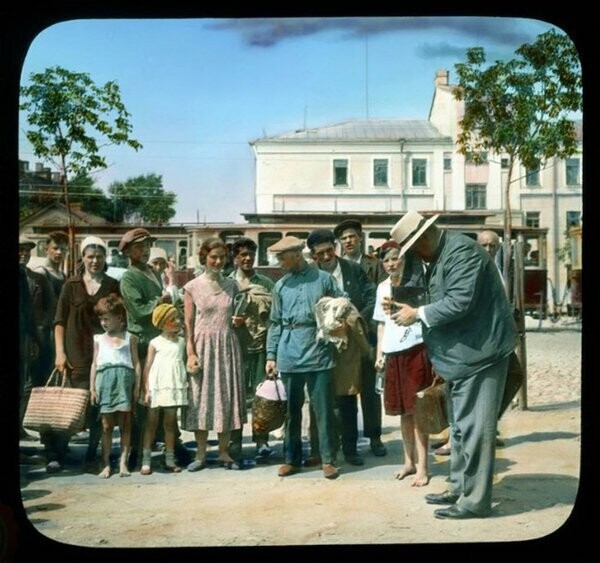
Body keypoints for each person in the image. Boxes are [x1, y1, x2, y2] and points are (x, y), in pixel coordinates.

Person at [387, 210, 517, 519]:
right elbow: (436, 295)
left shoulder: (461, 252)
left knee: (475, 430)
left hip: (481, 352)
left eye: (413, 248)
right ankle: (459, 487)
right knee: (459, 428)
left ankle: (475, 501)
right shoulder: (439, 254)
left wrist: (416, 314)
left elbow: (459, 301)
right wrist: (407, 305)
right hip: (462, 354)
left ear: (424, 238)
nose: (414, 255)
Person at [265, 236, 344, 480]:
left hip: (318, 351)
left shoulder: (324, 279)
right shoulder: (280, 286)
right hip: (289, 353)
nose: (279, 262)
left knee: (323, 410)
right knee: (291, 411)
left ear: (297, 255)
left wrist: (336, 325)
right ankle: (291, 459)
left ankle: (328, 459)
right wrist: (271, 355)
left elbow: (343, 304)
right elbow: (275, 322)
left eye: (282, 257)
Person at [46, 236, 121, 473]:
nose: (95, 261)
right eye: (90, 256)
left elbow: (119, 319)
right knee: (71, 405)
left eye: (99, 256)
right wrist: (60, 352)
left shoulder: (111, 285)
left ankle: (92, 454)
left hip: (102, 353)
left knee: (99, 405)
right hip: (74, 353)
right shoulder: (71, 284)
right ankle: (58, 454)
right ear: (83, 258)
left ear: (104, 258)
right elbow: (59, 321)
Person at [118, 228, 189, 470]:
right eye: (138, 247)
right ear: (127, 251)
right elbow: (138, 310)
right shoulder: (129, 277)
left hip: (159, 339)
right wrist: (159, 302)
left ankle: (172, 444)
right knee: (144, 396)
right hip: (142, 341)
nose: (144, 250)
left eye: (147, 245)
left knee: (165, 394)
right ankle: (137, 450)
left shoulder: (151, 271)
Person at [306, 228, 376, 467]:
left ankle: (350, 449)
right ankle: (322, 450)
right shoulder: (310, 276)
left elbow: (371, 299)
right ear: (313, 256)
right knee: (321, 398)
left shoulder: (353, 270)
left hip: (348, 347)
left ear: (335, 248)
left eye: (329, 251)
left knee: (347, 399)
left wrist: (352, 323)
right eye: (319, 254)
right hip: (319, 347)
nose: (326, 257)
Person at [373, 240, 434, 486]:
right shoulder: (382, 288)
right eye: (386, 260)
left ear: (404, 258)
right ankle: (408, 462)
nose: (391, 264)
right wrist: (380, 353)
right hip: (393, 351)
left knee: (418, 411)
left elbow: (426, 317)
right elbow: (381, 323)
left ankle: (423, 468)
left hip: (415, 349)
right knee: (402, 411)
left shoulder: (417, 282)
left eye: (395, 258)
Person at [183, 237, 247, 471]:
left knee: (225, 397)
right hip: (203, 346)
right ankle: (200, 455)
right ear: (204, 257)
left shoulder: (232, 285)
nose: (218, 261)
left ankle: (223, 452)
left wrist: (239, 321)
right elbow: (188, 323)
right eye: (213, 257)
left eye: (221, 257)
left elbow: (236, 316)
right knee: (201, 399)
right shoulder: (192, 287)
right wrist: (190, 353)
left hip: (227, 345)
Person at [333, 219, 387, 457]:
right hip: (343, 336)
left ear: (360, 238)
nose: (348, 241)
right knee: (346, 388)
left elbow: (377, 297)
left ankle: (375, 437)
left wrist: (359, 321)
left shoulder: (373, 265)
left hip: (367, 332)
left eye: (352, 237)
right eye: (344, 239)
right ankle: (349, 441)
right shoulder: (337, 266)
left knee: (369, 389)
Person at [226, 237, 275, 461]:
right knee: (235, 396)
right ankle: (235, 441)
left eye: (250, 255)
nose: (247, 259)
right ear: (235, 258)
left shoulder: (266, 283)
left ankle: (261, 441)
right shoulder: (227, 283)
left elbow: (277, 314)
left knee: (262, 396)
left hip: (261, 347)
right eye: (242, 255)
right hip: (235, 347)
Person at [90, 294, 141, 479]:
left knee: (125, 424)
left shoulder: (130, 338)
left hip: (124, 382)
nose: (103, 322)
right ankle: (105, 463)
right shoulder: (98, 339)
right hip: (105, 382)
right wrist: (92, 388)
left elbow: (136, 364)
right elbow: (95, 364)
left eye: (107, 318)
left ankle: (123, 463)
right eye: (101, 319)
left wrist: (136, 388)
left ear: (119, 317)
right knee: (106, 425)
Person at [140, 303, 188, 475]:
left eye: (178, 318)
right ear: (161, 323)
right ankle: (146, 459)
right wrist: (146, 389)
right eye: (171, 320)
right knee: (151, 423)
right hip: (157, 386)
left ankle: (169, 457)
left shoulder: (182, 342)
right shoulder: (155, 343)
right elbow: (148, 366)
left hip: (173, 386)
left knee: (170, 423)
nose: (176, 322)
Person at [19, 235, 56, 439]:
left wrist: (40, 333)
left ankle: (26, 425)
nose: (23, 254)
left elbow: (51, 307)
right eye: (20, 250)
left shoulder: (39, 279)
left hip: (34, 338)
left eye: (27, 250)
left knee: (32, 382)